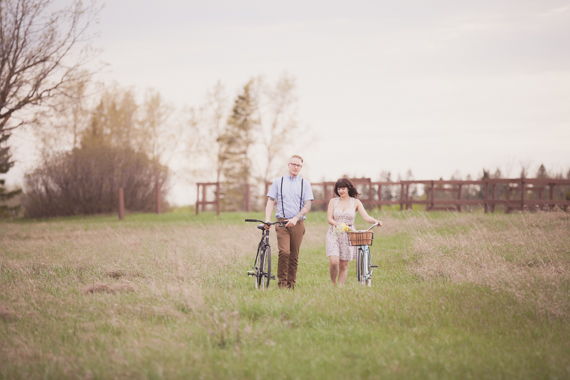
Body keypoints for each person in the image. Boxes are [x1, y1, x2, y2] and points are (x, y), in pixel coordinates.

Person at [265, 155, 314, 289]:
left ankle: (291, 285)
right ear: (288, 165)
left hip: (298, 223)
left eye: (298, 165)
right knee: (284, 252)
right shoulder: (278, 182)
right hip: (282, 223)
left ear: (301, 167)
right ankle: (281, 284)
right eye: (293, 164)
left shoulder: (305, 184)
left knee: (294, 256)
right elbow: (270, 201)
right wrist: (267, 219)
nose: (295, 167)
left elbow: (307, 205)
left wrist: (296, 218)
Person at [326, 178, 382, 286]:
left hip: (348, 235)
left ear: (348, 188)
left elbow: (366, 217)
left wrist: (376, 221)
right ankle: (333, 284)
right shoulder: (333, 201)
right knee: (334, 262)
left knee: (343, 265)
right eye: (338, 189)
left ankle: (340, 289)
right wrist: (339, 225)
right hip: (334, 234)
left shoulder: (356, 202)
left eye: (343, 188)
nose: (340, 191)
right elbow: (329, 219)